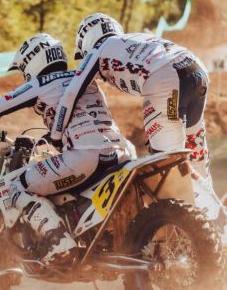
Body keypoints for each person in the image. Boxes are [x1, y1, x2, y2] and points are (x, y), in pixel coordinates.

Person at [0, 33, 132, 266]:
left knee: (15, 187)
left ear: (32, 61)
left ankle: (60, 245)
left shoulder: (41, 83)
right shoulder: (84, 78)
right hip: (119, 153)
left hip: (84, 157)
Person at [52, 12, 211, 184]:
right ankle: (210, 199)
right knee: (196, 154)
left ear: (86, 42)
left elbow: (71, 93)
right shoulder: (134, 38)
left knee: (167, 161)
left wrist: (56, 136)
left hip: (165, 79)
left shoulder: (99, 48)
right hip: (196, 71)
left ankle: (191, 198)